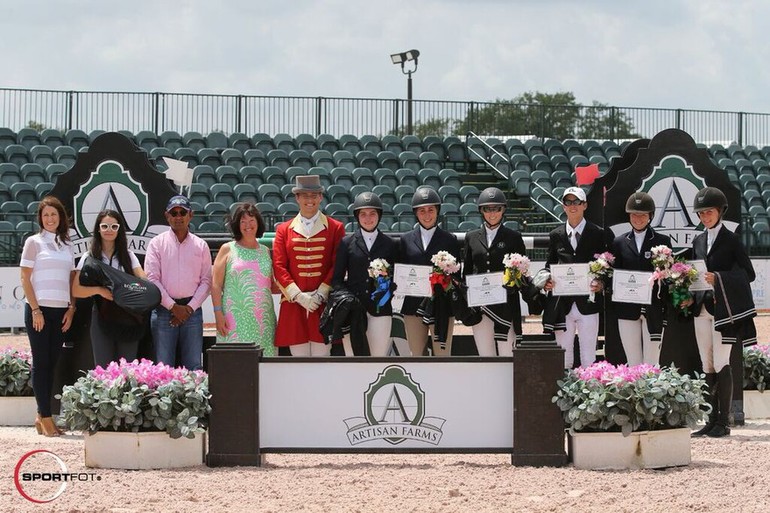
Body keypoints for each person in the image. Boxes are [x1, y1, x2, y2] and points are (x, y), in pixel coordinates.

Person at [688, 187, 756, 438]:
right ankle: (710, 419)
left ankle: (724, 421)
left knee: (721, 362)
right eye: (702, 213)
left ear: (720, 212)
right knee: (706, 363)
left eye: (709, 212)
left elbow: (748, 274)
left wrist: (718, 278)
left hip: (724, 312)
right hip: (702, 309)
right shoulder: (698, 240)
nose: (705, 216)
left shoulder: (732, 240)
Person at [19, 196, 76, 437]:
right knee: (41, 363)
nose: (50, 219)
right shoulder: (33, 242)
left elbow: (72, 280)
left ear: (60, 217)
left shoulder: (68, 244)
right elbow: (24, 278)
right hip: (39, 310)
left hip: (60, 311)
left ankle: (40, 415)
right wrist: (35, 310)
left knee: (51, 364)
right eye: (45, 215)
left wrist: (71, 309)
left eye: (54, 214)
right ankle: (46, 417)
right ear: (40, 219)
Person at [273, 175, 345, 356]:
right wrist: (298, 296)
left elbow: (338, 264)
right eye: (305, 195)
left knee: (323, 361)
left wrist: (321, 293)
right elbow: (279, 267)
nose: (309, 200)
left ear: (321, 197)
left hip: (323, 304)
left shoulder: (336, 227)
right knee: (299, 362)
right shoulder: (283, 230)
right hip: (295, 304)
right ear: (297, 198)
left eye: (314, 195)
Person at [541, 186, 608, 368]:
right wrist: (547, 281)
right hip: (562, 304)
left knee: (589, 357)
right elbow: (550, 265)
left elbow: (606, 267)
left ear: (584, 205)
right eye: (568, 202)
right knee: (564, 357)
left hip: (589, 303)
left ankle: (590, 395)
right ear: (563, 206)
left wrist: (601, 284)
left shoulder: (598, 233)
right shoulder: (556, 235)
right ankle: (564, 395)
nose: (573, 206)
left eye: (577, 202)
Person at [72, 210, 147, 368]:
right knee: (104, 368)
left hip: (127, 317)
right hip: (101, 315)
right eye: (105, 226)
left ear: (119, 229)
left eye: (114, 226)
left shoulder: (129, 255)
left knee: (128, 369)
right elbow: (76, 290)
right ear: (98, 229)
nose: (109, 230)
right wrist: (100, 291)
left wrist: (125, 289)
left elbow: (143, 283)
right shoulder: (89, 257)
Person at [145, 195, 212, 370]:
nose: (178, 216)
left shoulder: (201, 245)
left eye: (182, 212)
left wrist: (189, 308)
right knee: (163, 367)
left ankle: (194, 399)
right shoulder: (156, 244)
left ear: (191, 214)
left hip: (193, 312)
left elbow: (207, 281)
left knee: (194, 366)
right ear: (167, 216)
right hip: (163, 312)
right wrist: (173, 307)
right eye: (174, 213)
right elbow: (152, 279)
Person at [332, 192, 398, 356]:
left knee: (378, 357)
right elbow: (337, 280)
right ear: (357, 216)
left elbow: (396, 278)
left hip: (380, 310)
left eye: (372, 214)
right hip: (354, 311)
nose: (368, 218)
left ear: (379, 216)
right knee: (353, 358)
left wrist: (386, 291)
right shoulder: (346, 243)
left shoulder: (390, 244)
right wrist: (349, 300)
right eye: (363, 214)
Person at [462, 187, 526, 356]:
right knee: (485, 355)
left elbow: (522, 272)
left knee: (507, 355)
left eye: (496, 208)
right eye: (487, 209)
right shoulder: (471, 236)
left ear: (503, 209)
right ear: (481, 211)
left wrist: (513, 284)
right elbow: (467, 272)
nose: (492, 213)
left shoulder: (514, 237)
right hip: (481, 306)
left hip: (506, 305)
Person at [398, 186, 462, 357]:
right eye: (422, 211)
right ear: (416, 213)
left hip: (442, 305)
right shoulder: (405, 240)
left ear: (437, 211)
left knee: (442, 354)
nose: (427, 215)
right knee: (416, 354)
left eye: (431, 210)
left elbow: (457, 276)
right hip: (413, 304)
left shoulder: (450, 240)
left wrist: (445, 279)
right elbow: (401, 271)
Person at [611, 192, 672, 366]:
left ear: (650, 216)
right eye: (634, 214)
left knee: (652, 360)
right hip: (627, 308)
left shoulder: (662, 241)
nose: (638, 219)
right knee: (633, 360)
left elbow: (669, 277)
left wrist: (661, 277)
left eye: (643, 215)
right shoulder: (619, 242)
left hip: (653, 308)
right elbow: (614, 275)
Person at [211, 203, 276, 355]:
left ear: (258, 222)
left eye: (251, 220)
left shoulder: (266, 251)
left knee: (264, 367)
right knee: (235, 365)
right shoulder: (227, 249)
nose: (248, 225)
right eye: (243, 221)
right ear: (237, 225)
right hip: (233, 320)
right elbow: (215, 285)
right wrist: (218, 314)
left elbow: (271, 285)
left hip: (263, 321)